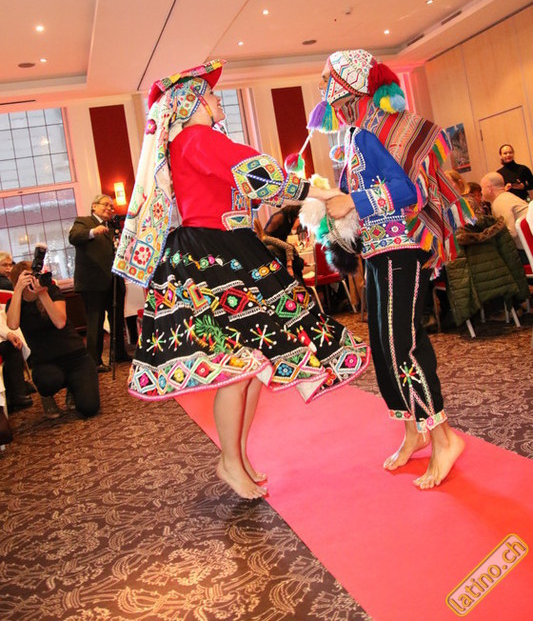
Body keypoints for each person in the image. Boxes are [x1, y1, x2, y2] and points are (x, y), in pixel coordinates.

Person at [113, 59, 369, 500]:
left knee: (251, 366)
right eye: (211, 94)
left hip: (227, 248)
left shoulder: (193, 141)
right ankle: (230, 460)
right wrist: (323, 192)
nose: (218, 100)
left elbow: (249, 182)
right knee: (238, 367)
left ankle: (237, 456)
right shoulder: (196, 139)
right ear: (194, 103)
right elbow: (258, 174)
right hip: (214, 255)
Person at [310, 49, 471, 490]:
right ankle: (413, 430)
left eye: (327, 78)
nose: (322, 86)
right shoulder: (354, 136)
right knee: (384, 348)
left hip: (402, 248)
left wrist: (353, 200)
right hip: (378, 252)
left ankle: (444, 438)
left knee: (403, 344)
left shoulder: (370, 133)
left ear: (348, 85)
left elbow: (408, 191)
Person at [6, 262, 100, 419]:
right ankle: (47, 396)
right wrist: (17, 291)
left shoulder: (51, 291)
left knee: (89, 408)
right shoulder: (16, 303)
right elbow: (12, 324)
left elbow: (59, 322)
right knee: (49, 380)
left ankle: (73, 387)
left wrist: (42, 293)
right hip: (45, 362)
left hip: (76, 356)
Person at [69, 196, 129, 372]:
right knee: (95, 321)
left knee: (117, 319)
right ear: (94, 206)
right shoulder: (84, 222)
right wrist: (93, 232)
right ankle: (94, 361)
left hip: (114, 281)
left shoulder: (113, 227)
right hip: (92, 283)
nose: (110, 208)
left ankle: (119, 353)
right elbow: (73, 237)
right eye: (106, 205)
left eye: (112, 206)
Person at [480, 172, 529, 263]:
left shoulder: (500, 202)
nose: (481, 192)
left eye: (482, 188)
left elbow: (511, 233)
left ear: (489, 188)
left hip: (526, 250)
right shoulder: (508, 197)